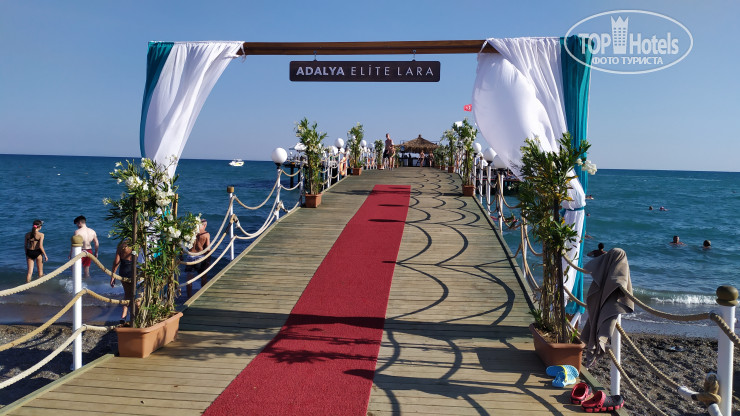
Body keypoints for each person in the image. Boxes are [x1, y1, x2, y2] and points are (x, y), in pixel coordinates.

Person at [111, 239, 135, 325]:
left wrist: (113, 277)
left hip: (124, 271)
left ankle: (123, 316)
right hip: (134, 271)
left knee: (127, 294)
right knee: (137, 294)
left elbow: (116, 262)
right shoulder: (138, 245)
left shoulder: (121, 246)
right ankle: (135, 316)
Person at [185, 219, 211, 298]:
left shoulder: (191, 233)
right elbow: (208, 249)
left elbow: (183, 244)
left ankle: (189, 297)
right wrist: (208, 261)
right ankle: (203, 295)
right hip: (200, 257)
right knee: (203, 277)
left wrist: (180, 256)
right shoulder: (206, 234)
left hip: (190, 257)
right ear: (205, 225)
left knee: (189, 280)